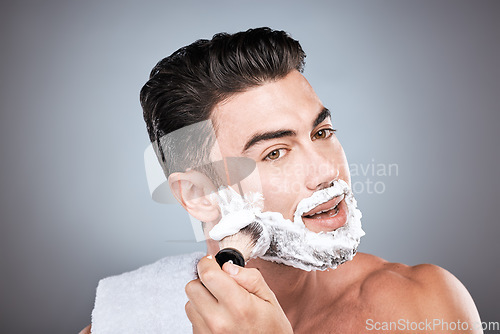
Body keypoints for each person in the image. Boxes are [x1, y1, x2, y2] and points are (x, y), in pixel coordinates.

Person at [82, 27, 482, 333]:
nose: (327, 173)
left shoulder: (423, 309)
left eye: (322, 133)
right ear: (199, 194)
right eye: (275, 152)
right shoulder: (124, 320)